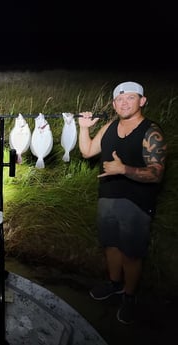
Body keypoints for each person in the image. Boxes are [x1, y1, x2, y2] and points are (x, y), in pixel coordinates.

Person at [78, 81, 167, 324]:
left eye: (130, 97)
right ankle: (114, 283)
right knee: (111, 245)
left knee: (132, 253)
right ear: (114, 104)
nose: (124, 102)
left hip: (136, 202)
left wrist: (123, 169)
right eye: (119, 99)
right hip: (107, 197)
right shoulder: (108, 127)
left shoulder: (151, 131)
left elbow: (156, 173)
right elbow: (87, 151)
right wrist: (84, 128)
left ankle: (130, 295)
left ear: (142, 101)